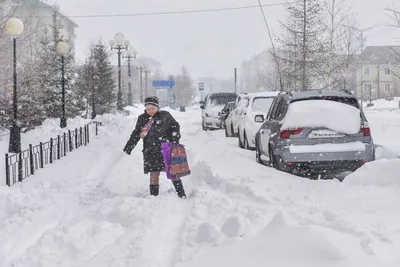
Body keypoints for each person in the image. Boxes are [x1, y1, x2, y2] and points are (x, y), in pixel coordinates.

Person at [123, 96, 186, 198]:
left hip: (166, 148)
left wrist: (175, 139)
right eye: (148, 109)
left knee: (173, 171)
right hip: (150, 150)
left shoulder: (165, 115)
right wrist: (129, 147)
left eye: (153, 108)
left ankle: (181, 194)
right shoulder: (142, 119)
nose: (150, 111)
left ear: (157, 107)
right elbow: (136, 134)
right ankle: (154, 196)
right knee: (153, 172)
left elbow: (175, 126)